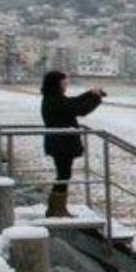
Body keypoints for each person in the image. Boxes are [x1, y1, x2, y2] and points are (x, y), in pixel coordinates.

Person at [40, 71, 105, 217]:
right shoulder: (55, 100)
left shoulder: (52, 98)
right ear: (57, 84)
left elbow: (73, 102)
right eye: (64, 82)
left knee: (63, 174)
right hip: (61, 143)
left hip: (59, 143)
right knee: (63, 175)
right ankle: (57, 209)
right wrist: (96, 98)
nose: (66, 84)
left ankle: (55, 208)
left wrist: (90, 93)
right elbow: (80, 109)